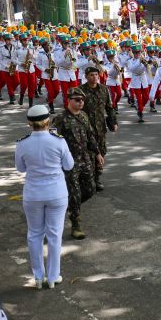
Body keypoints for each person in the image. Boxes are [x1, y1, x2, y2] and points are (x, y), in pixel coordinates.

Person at [15, 105, 74, 289]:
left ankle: (38, 276)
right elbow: (69, 165)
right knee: (55, 234)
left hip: (33, 194)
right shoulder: (58, 141)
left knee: (34, 234)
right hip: (56, 193)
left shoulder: (22, 143)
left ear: (29, 123)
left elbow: (20, 168)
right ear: (48, 122)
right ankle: (53, 276)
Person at [51, 88, 101, 240]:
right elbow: (52, 142)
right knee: (74, 192)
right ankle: (76, 225)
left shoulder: (84, 116)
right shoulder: (60, 119)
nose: (81, 103)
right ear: (69, 100)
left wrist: (98, 153)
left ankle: (67, 206)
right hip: (68, 162)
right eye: (77, 100)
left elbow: (90, 136)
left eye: (82, 100)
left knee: (91, 189)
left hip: (85, 159)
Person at [79, 67, 117, 190]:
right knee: (88, 153)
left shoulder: (104, 89)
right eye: (91, 75)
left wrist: (113, 122)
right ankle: (88, 179)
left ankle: (97, 178)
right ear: (86, 76)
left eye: (96, 75)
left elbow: (109, 107)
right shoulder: (80, 91)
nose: (94, 77)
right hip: (86, 128)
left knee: (101, 151)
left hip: (100, 128)